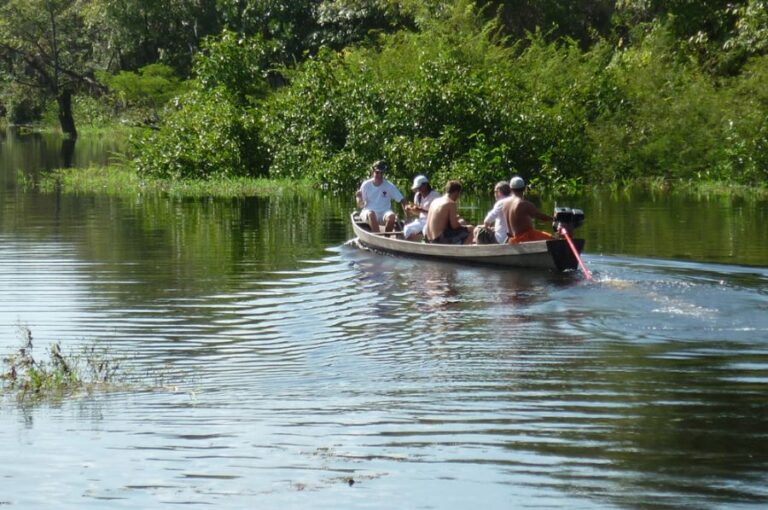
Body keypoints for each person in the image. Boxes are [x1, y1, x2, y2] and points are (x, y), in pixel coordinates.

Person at [355, 160, 407, 232]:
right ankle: (377, 236)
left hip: (384, 212)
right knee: (371, 214)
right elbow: (360, 205)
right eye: (377, 172)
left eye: (381, 173)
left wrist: (407, 215)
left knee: (392, 216)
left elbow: (402, 199)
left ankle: (387, 237)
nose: (379, 175)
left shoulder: (389, 185)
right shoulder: (366, 184)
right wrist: (358, 198)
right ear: (373, 172)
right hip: (368, 211)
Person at [502, 176, 554, 244]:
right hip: (525, 238)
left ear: (510, 188)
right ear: (524, 188)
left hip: (512, 239)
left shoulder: (505, 204)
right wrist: (554, 218)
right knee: (553, 240)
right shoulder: (524, 204)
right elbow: (542, 217)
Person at [403, 175, 440, 241]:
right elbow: (417, 213)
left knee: (426, 230)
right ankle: (413, 246)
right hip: (421, 221)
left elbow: (438, 214)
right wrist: (410, 210)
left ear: (425, 185)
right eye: (417, 188)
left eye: (419, 187)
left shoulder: (435, 195)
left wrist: (421, 210)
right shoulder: (417, 195)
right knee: (407, 229)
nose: (418, 189)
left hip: (433, 221)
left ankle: (429, 246)